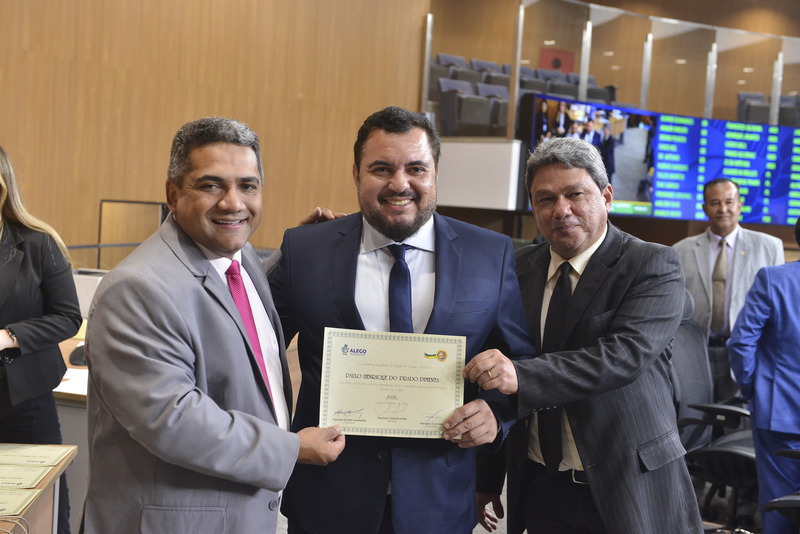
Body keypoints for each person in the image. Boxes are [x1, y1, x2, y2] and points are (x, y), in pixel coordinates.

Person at [268, 106, 534, 534]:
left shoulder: (490, 253)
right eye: (381, 169)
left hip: (439, 501)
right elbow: (254, 346)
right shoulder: (306, 250)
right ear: (356, 174)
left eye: (416, 168)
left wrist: (496, 414)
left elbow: (520, 362)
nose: (399, 183)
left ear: (435, 173)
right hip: (328, 497)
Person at [83, 117, 345, 533]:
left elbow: (230, 316)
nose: (232, 203)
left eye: (248, 186)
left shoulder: (240, 260)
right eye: (211, 186)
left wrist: (301, 250)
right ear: (173, 194)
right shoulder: (136, 288)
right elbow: (173, 420)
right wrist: (292, 448)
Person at [468, 137, 703, 533]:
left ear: (606, 196)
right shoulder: (517, 268)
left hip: (628, 483)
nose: (561, 210)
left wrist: (521, 376)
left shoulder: (652, 264)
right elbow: (495, 367)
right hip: (541, 486)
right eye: (545, 199)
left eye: (575, 194)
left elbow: (624, 356)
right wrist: (487, 478)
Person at [0, 145, 82, 534]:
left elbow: (68, 317)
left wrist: (9, 336)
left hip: (26, 402)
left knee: (43, 510)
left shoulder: (38, 243)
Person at [673, 178, 784, 402]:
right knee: (695, 418)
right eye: (715, 203)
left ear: (740, 205)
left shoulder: (769, 247)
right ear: (705, 208)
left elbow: (778, 309)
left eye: (729, 202)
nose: (723, 209)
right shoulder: (680, 250)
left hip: (746, 355)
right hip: (694, 354)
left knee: (738, 420)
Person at [727, 216, 800, 534]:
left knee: (781, 504)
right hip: (779, 414)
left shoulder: (774, 279)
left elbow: (741, 343)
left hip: (779, 411)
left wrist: (752, 389)